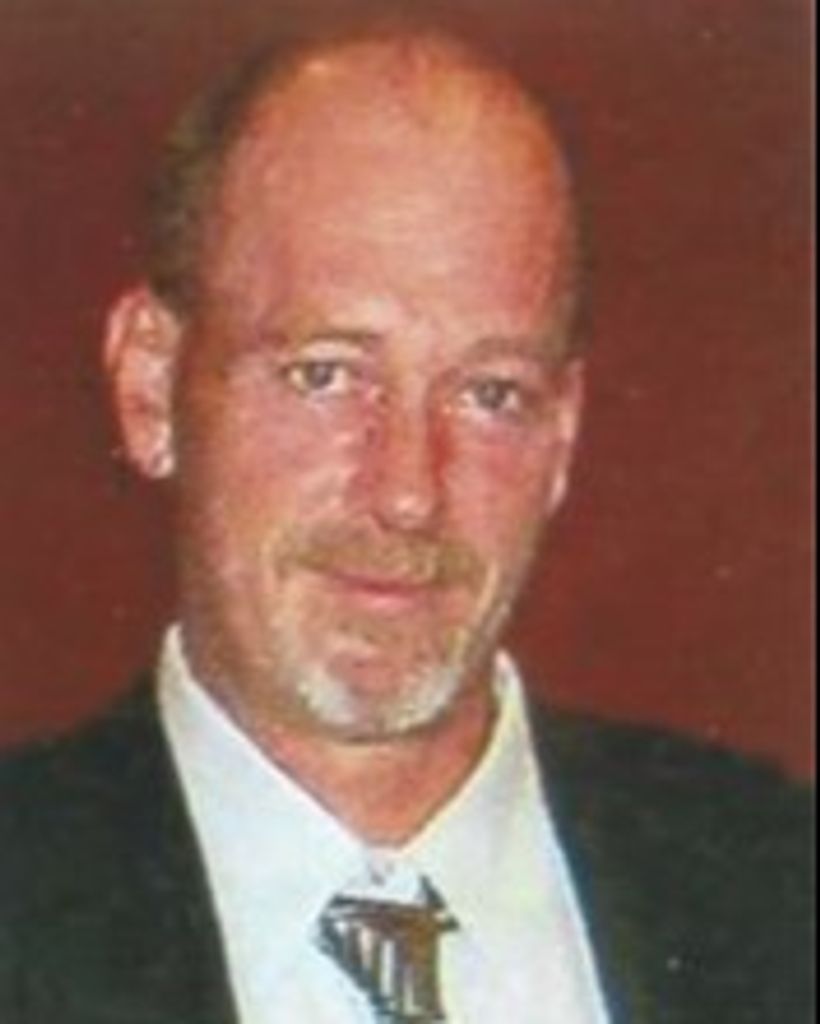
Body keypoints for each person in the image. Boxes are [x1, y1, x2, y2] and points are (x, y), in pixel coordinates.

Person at [0, 9, 811, 1023]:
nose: (408, 492)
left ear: (562, 434)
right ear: (150, 388)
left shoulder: (781, 896)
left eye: (489, 393)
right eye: (327, 375)